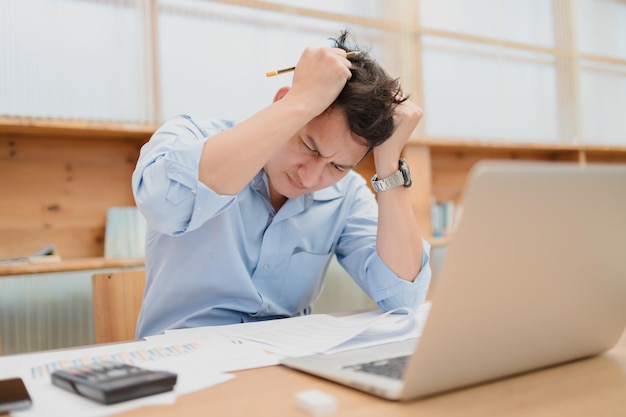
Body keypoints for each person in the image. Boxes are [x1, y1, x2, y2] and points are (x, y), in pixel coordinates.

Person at [132, 30, 432, 338]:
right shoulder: (190, 138)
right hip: (179, 362)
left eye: (338, 166)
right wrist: (299, 103)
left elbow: (403, 297)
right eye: (310, 146)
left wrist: (389, 161)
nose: (311, 178)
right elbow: (165, 207)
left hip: (282, 365)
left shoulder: (348, 194)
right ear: (283, 102)